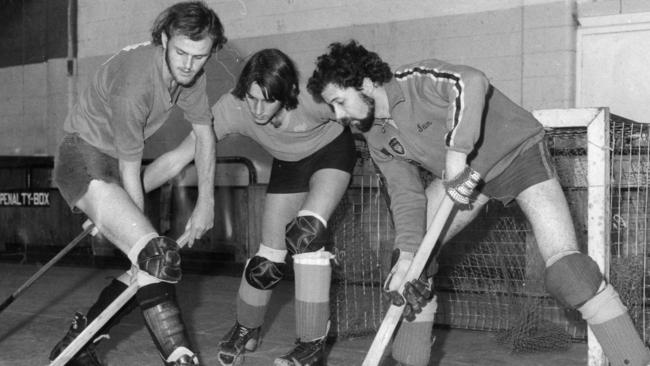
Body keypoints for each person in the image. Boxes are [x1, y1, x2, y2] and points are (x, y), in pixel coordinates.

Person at [306, 40, 650, 366]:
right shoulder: (375, 132)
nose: (338, 115)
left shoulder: (416, 80)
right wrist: (410, 252)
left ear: (364, 83)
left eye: (339, 101)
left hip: (517, 155)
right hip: (464, 179)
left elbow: (471, 80)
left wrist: (457, 154)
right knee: (411, 270)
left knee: (570, 274)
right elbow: (404, 192)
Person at [144, 48, 356, 366]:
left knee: (306, 236)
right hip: (289, 163)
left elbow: (368, 111)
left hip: (331, 152)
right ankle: (247, 328)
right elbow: (178, 156)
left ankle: (311, 343)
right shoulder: (233, 107)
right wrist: (123, 199)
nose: (256, 109)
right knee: (266, 262)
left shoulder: (313, 99)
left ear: (288, 94)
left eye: (267, 100)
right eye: (251, 98)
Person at [49, 2, 227, 365]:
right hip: (82, 158)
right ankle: (181, 358)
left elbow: (204, 136)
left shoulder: (191, 74)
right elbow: (131, 171)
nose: (189, 65)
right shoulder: (136, 83)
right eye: (181, 53)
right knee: (153, 256)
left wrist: (206, 201)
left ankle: (78, 343)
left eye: (199, 56)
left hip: (112, 162)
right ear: (163, 39)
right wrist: (132, 230)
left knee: (143, 264)